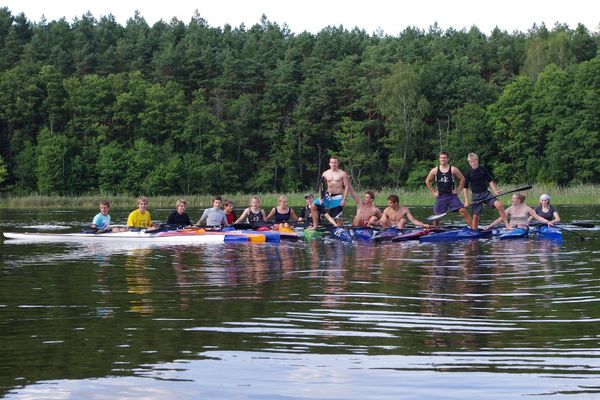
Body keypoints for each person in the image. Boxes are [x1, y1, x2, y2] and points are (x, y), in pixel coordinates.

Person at [425, 151, 473, 227]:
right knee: (437, 216)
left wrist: (458, 190)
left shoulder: (453, 169)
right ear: (439, 159)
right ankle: (435, 230)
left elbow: (462, 179)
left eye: (444, 158)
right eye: (441, 158)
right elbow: (427, 181)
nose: (442, 159)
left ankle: (474, 228)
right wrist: (433, 192)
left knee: (463, 211)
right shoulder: (435, 170)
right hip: (441, 196)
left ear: (447, 159)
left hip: (451, 196)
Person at [462, 153, 509, 229]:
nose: (473, 163)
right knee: (476, 215)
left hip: (486, 193)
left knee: (499, 204)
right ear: (469, 163)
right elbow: (465, 188)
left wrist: (495, 191)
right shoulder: (468, 172)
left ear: (477, 161)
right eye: (471, 162)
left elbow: (490, 181)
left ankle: (507, 225)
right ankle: (474, 230)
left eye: (474, 161)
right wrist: (466, 201)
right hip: (476, 196)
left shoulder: (483, 169)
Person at [311, 157, 351, 228]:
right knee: (313, 206)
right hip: (327, 196)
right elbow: (321, 186)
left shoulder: (342, 173)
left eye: (335, 162)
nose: (334, 164)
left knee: (337, 220)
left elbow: (347, 186)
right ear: (329, 164)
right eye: (332, 162)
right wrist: (320, 197)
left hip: (338, 197)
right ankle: (315, 226)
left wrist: (344, 199)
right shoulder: (325, 173)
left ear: (338, 163)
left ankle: (340, 229)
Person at [485, 193, 554, 230]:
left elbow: (538, 217)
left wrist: (548, 222)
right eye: (512, 198)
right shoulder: (510, 208)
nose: (512, 200)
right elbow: (500, 219)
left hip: (523, 227)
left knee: (520, 226)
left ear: (519, 200)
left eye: (514, 199)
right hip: (512, 227)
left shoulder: (527, 208)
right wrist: (490, 226)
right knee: (511, 226)